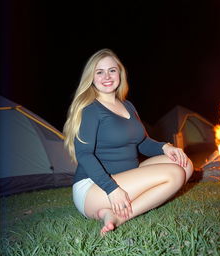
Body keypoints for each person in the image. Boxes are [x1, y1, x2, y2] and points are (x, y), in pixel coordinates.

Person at [63, 48, 194, 235]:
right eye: (99, 72)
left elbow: (141, 143)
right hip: (94, 187)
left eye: (112, 70)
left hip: (126, 176)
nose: (107, 76)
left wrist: (166, 146)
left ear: (120, 73)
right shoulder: (91, 109)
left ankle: (110, 211)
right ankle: (120, 216)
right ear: (91, 77)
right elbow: (84, 154)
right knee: (175, 174)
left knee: (185, 164)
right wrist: (112, 189)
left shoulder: (127, 105)